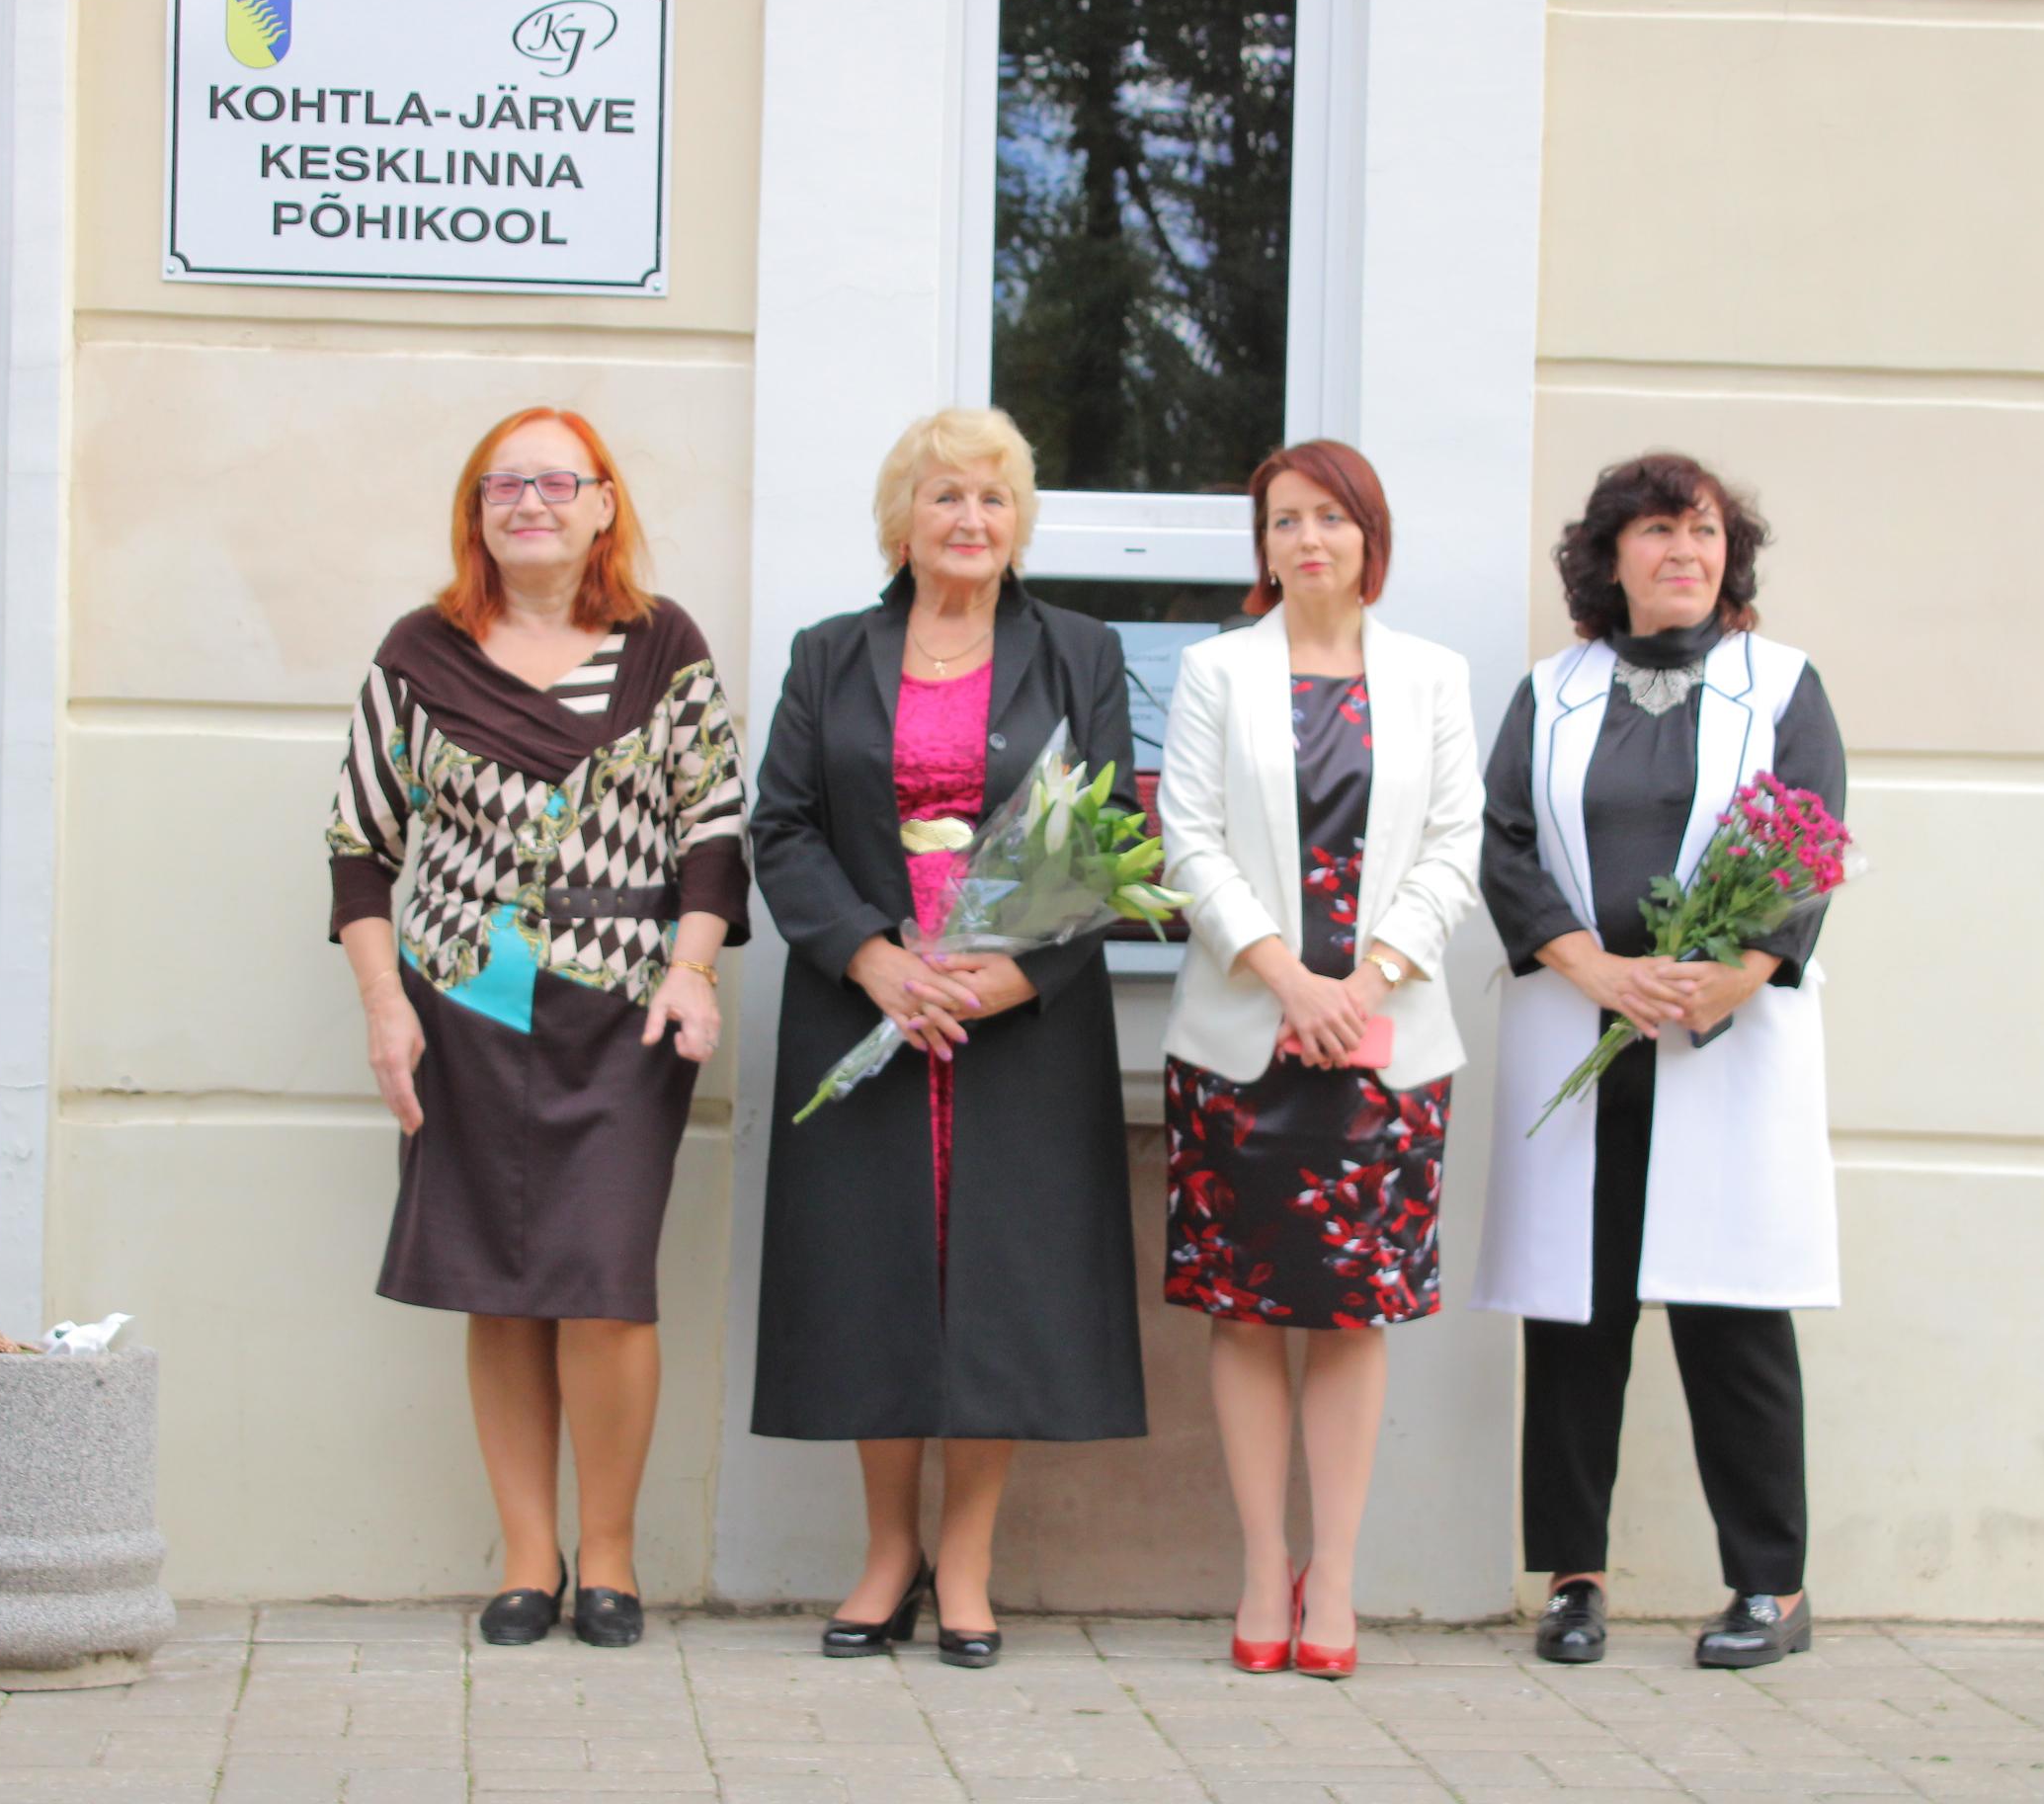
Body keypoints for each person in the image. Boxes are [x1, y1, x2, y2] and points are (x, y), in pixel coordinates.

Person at [325, 406, 748, 1651]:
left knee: (604, 1286)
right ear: (477, 512)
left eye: (559, 482)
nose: (530, 503)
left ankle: (609, 1556)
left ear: (603, 504)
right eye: (503, 485)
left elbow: (714, 827)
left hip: (622, 1009)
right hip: (459, 1007)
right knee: (497, 1287)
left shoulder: (663, 645)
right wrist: (385, 1005)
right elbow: (359, 846)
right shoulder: (419, 652)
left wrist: (692, 970)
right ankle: (527, 1559)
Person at [748, 407, 1144, 1670]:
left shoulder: (1079, 650)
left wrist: (1012, 979)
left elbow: (1113, 842)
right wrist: (871, 958)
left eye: (993, 497)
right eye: (945, 496)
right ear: (901, 521)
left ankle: (966, 1560)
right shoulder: (830, 654)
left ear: (1019, 522)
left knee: (998, 1291)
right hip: (866, 1008)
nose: (971, 519)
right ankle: (888, 1552)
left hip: (1015, 1026)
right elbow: (782, 825)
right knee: (874, 1280)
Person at [1474, 451, 1848, 1672]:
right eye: (1655, 531)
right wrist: (1593, 967)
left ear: (1729, 555)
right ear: (1611, 556)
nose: (1683, 550)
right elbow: (1506, 844)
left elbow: (1812, 838)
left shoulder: (1781, 685)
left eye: (1703, 531)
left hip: (1717, 1043)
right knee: (1577, 1317)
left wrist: (1735, 971)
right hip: (1586, 1028)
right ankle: (1573, 1579)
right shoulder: (1551, 693)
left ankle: (1772, 1586)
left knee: (1733, 1315)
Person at [1152, 440, 1483, 1680]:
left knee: (1352, 1313)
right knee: (1244, 1314)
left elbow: (1454, 843)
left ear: (1368, 536)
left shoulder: (1435, 676)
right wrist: (1289, 979)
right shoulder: (1215, 671)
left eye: (1330, 518)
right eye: (1284, 520)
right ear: (1264, 544)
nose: (1307, 540)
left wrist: (1366, 982)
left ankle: (1333, 1574)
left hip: (1387, 1047)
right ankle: (1259, 1565)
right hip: (1243, 1039)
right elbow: (1188, 838)